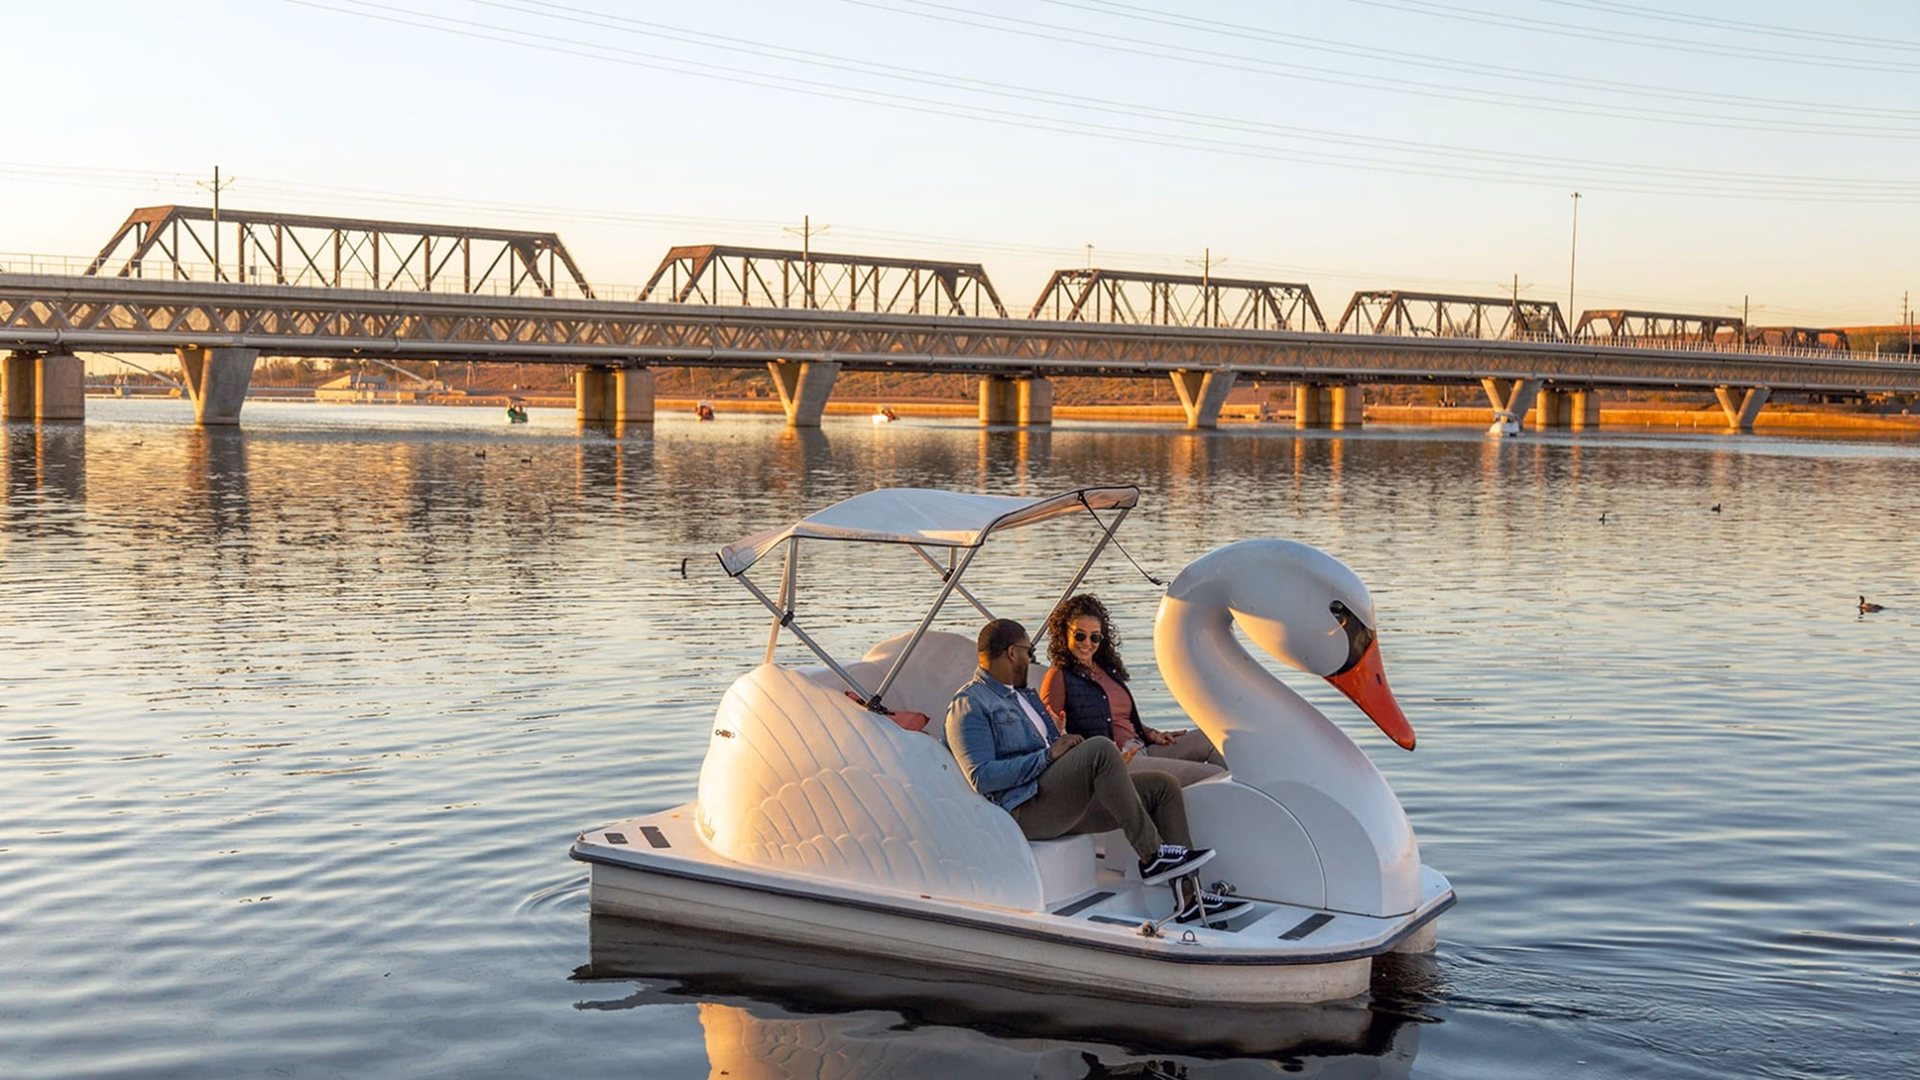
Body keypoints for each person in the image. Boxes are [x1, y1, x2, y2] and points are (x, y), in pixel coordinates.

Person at [946, 618, 1247, 923]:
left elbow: (1052, 749)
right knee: (1100, 748)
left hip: (1055, 799)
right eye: (1029, 650)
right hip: (1025, 810)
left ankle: (1189, 899)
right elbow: (981, 777)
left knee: (1161, 786)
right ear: (1012, 652)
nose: (1031, 657)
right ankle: (1152, 856)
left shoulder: (1025, 696)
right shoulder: (969, 704)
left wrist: (1057, 739)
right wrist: (1049, 755)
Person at [1039, 595, 1226, 787]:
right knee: (1214, 774)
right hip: (1118, 761)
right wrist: (1076, 741)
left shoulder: (1106, 669)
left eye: (1095, 637)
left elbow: (1121, 717)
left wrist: (1151, 733)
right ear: (1064, 633)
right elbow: (1046, 734)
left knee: (1216, 739)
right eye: (1080, 635)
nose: (1087, 643)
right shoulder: (1059, 676)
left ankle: (1246, 802)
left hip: (1141, 747)